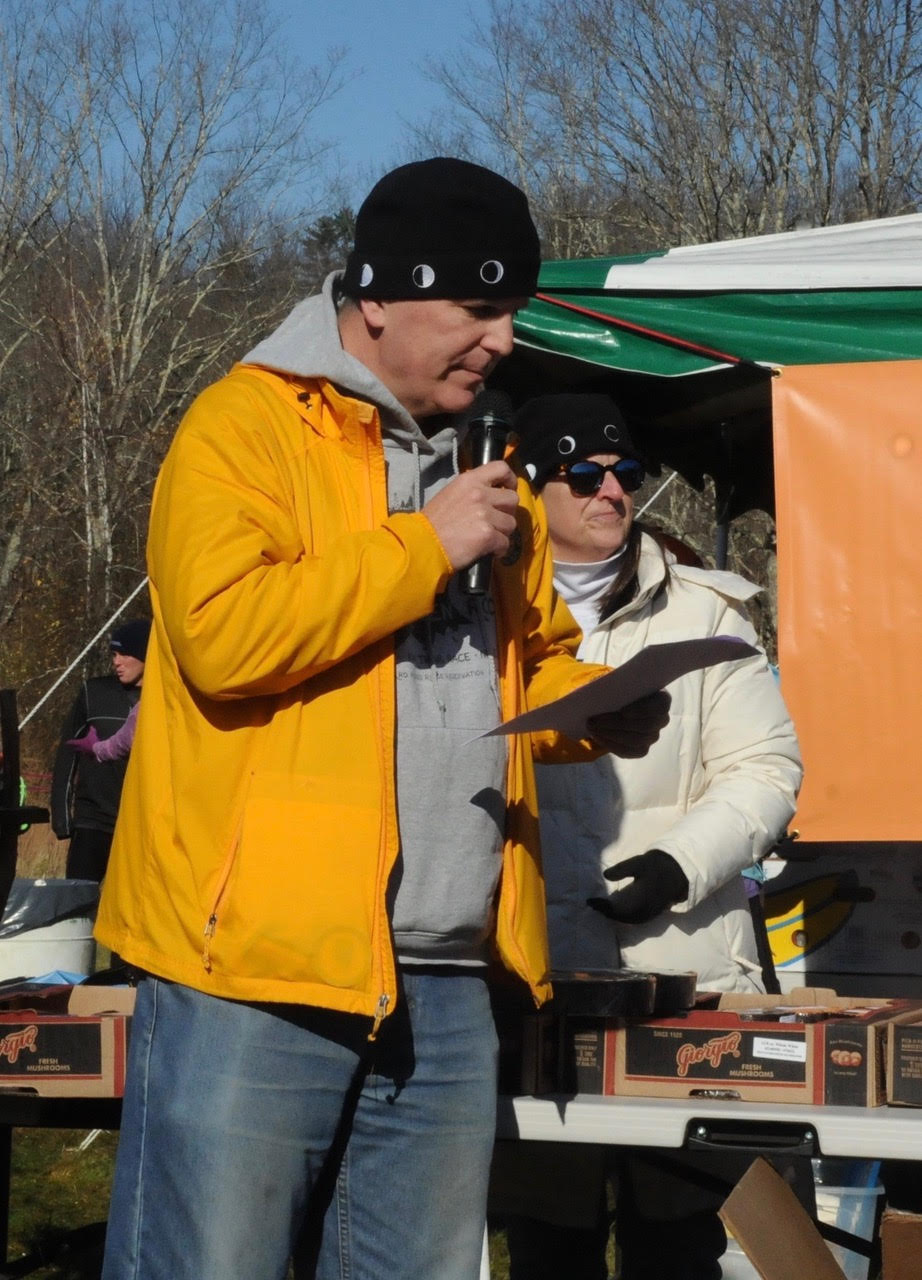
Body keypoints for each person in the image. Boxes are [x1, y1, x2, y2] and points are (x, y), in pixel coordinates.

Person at [93, 160, 671, 1280]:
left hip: (449, 975)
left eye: (510, 313)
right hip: (254, 972)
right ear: (378, 298)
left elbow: (521, 663)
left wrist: (593, 712)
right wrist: (424, 546)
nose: (503, 339)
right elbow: (220, 639)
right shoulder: (243, 427)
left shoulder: (489, 461)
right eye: (479, 308)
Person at [495, 392, 804, 1280]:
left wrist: (677, 864)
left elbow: (765, 770)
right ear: (527, 488)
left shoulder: (709, 613)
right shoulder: (480, 618)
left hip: (687, 979)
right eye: (582, 474)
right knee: (549, 1242)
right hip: (534, 983)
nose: (611, 492)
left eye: (625, 473)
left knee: (679, 1241)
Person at [50, 618, 150, 882]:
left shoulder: (165, 698)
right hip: (93, 820)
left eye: (124, 654)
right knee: (78, 903)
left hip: (141, 826)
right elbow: (67, 753)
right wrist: (62, 816)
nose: (116, 661)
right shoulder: (93, 692)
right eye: (114, 654)